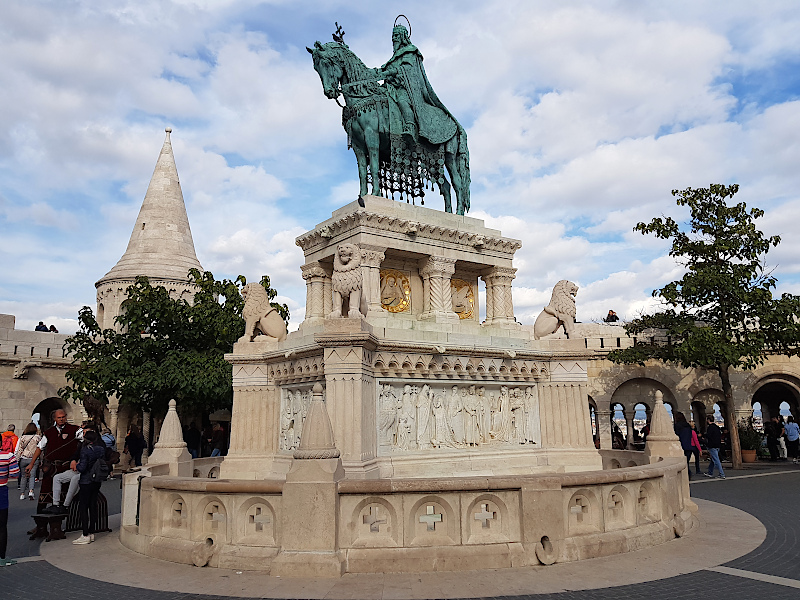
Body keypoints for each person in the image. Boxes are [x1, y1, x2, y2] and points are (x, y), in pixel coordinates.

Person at [377, 24, 460, 146]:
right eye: (392, 36)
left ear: (403, 37)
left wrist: (391, 72)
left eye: (396, 36)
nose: (393, 39)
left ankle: (410, 126)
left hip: (406, 88)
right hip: (390, 87)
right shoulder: (393, 58)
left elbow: (407, 69)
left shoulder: (410, 51)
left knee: (402, 100)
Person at [25, 408, 80, 513]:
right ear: (55, 419)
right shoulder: (49, 433)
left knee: (65, 495)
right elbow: (39, 448)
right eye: (59, 418)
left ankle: (60, 524)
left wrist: (76, 460)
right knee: (44, 494)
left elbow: (83, 444)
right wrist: (31, 464)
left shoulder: (75, 430)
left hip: (67, 466)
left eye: (63, 417)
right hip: (51, 468)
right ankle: (41, 525)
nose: (61, 419)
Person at [72, 430, 106, 545]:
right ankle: (91, 532)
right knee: (93, 506)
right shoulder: (100, 449)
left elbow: (83, 467)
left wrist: (77, 465)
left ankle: (85, 534)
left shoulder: (85, 450)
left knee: (83, 507)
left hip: (86, 480)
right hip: (96, 480)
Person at [0, 437, 20, 566]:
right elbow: (15, 473)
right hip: (1, 492)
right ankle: (2, 557)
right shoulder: (8, 455)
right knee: (2, 526)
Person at [14, 423, 41, 500]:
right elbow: (40, 449)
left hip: (23, 458)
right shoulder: (37, 438)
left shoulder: (22, 438)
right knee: (32, 476)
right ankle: (31, 491)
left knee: (23, 476)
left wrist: (17, 460)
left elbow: (19, 450)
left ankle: (22, 494)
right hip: (33, 459)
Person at [673, 412, 694, 478]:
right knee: (686, 461)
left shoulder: (677, 426)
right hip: (689, 446)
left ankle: (686, 475)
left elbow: (676, 435)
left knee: (682, 462)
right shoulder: (688, 425)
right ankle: (688, 474)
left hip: (681, 445)